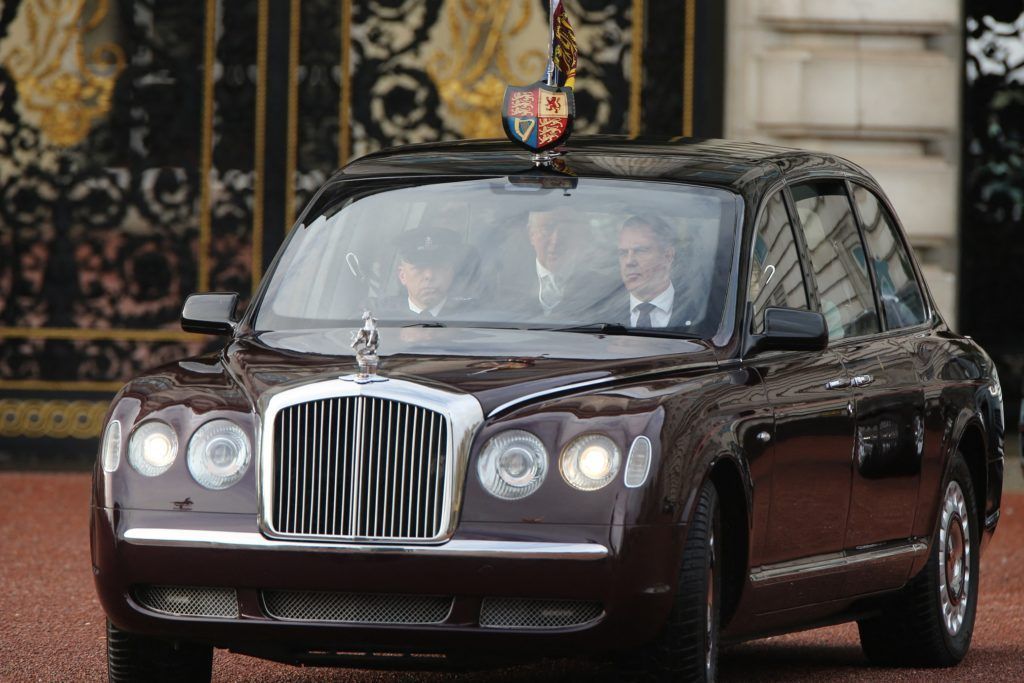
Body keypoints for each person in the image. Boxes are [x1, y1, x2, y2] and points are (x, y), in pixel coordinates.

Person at [616, 214, 699, 328]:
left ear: (668, 256)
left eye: (640, 251)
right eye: (623, 253)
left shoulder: (699, 312)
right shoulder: (599, 314)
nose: (629, 261)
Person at [381, 227, 470, 318]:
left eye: (437, 267)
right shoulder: (382, 320)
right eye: (419, 268)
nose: (429, 275)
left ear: (451, 273)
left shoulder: (473, 317)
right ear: (402, 276)